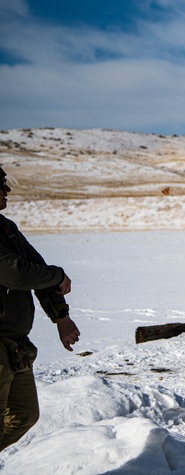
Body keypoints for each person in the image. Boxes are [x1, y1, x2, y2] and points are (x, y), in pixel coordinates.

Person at [0, 165, 81, 450]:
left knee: (24, 416)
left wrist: (61, 317)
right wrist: (58, 274)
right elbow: (16, 273)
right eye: (1, 184)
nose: (7, 190)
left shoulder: (6, 229)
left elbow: (38, 269)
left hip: (15, 343)